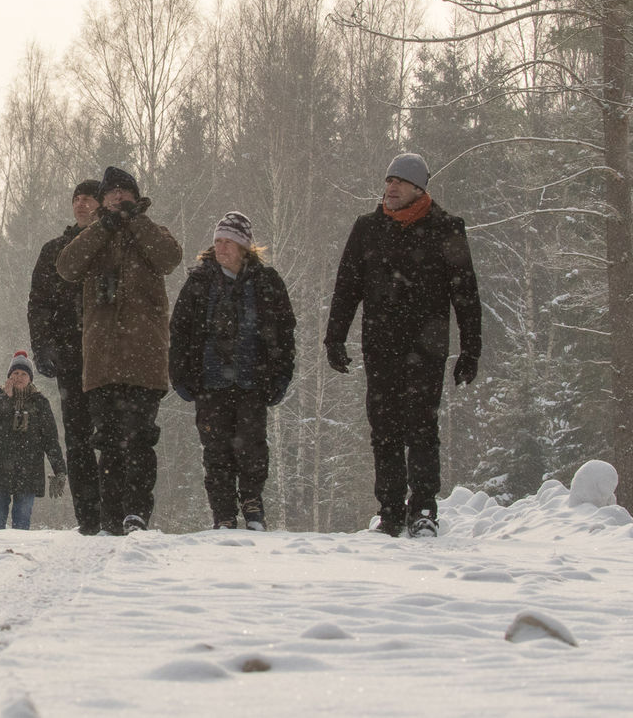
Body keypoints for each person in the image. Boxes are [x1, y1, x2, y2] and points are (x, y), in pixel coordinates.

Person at [325, 153, 482, 538]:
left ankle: (425, 508)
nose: (391, 188)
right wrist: (335, 336)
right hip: (380, 346)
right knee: (384, 430)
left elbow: (466, 295)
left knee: (422, 428)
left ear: (418, 188)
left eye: (400, 182)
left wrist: (471, 350)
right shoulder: (367, 228)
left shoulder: (447, 228)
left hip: (427, 349)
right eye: (388, 181)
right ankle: (391, 510)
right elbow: (347, 288)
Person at [56, 166, 183, 534]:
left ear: (135, 196)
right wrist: (103, 227)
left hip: (144, 359)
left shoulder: (153, 231)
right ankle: (111, 515)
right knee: (108, 443)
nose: (117, 198)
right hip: (102, 362)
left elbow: (169, 258)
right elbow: (66, 266)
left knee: (140, 439)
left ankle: (137, 513)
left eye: (124, 192)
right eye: (110, 193)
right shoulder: (94, 236)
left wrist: (135, 221)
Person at [169, 212, 296, 531]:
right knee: (216, 450)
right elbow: (180, 330)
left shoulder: (267, 283)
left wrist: (281, 375)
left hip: (252, 381)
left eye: (229, 242)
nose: (222, 247)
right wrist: (180, 374)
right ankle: (223, 513)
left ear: (244, 247)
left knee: (252, 447)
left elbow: (284, 332)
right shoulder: (199, 282)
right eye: (218, 241)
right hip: (209, 382)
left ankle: (252, 505)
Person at [28, 179, 103, 535]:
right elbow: (38, 304)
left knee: (115, 436)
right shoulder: (54, 250)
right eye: (76, 198)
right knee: (77, 437)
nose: (81, 204)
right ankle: (88, 517)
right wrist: (43, 346)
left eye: (88, 198)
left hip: (109, 356)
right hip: (71, 359)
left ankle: (116, 510)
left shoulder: (113, 246)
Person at [0, 351, 68, 530]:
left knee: (22, 522)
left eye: (23, 374)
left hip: (29, 470)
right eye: (15, 373)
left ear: (30, 378)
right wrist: (5, 397)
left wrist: (60, 470)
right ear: (9, 376)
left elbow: (51, 439)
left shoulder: (40, 402)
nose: (19, 377)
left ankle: (17, 556)